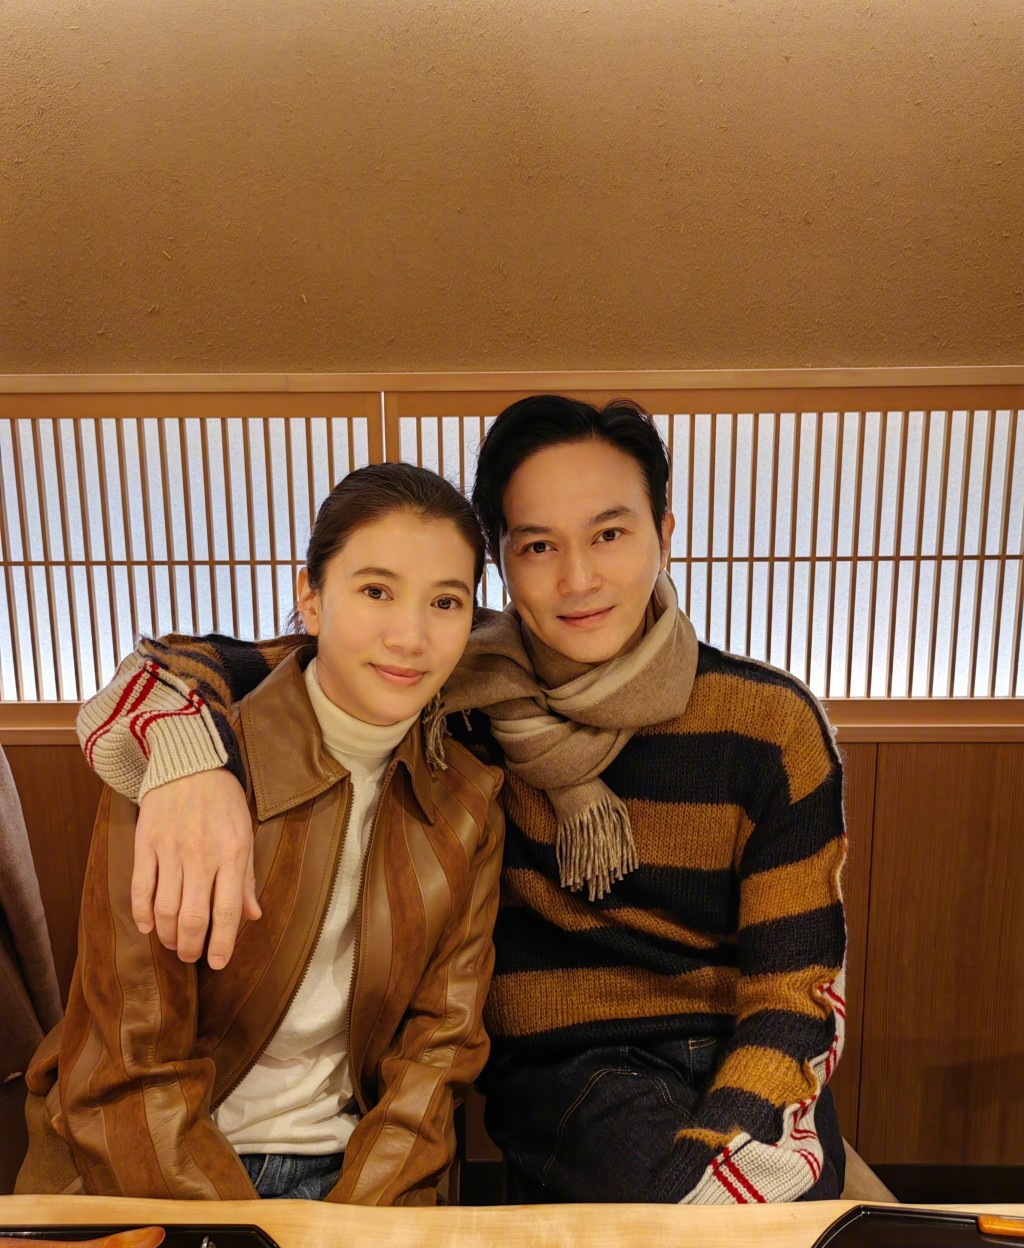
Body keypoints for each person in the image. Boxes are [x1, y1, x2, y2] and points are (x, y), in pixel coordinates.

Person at [58, 396, 847, 1204]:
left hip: (733, 1044)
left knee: (780, 1216)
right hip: (570, 1069)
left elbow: (796, 989)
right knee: (689, 1216)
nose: (579, 578)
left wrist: (738, 1153)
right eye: (538, 546)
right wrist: (186, 755)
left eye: (609, 535)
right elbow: (240, 667)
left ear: (665, 534)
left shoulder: (766, 723)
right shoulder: (453, 693)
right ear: (504, 563)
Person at [16, 463, 504, 1204]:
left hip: (352, 1171)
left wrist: (360, 1227)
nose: (410, 636)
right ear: (311, 597)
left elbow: (439, 1050)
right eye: (375, 590)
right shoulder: (179, 763)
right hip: (156, 1166)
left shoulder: (468, 802)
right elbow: (127, 1068)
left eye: (445, 601)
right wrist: (247, 1240)